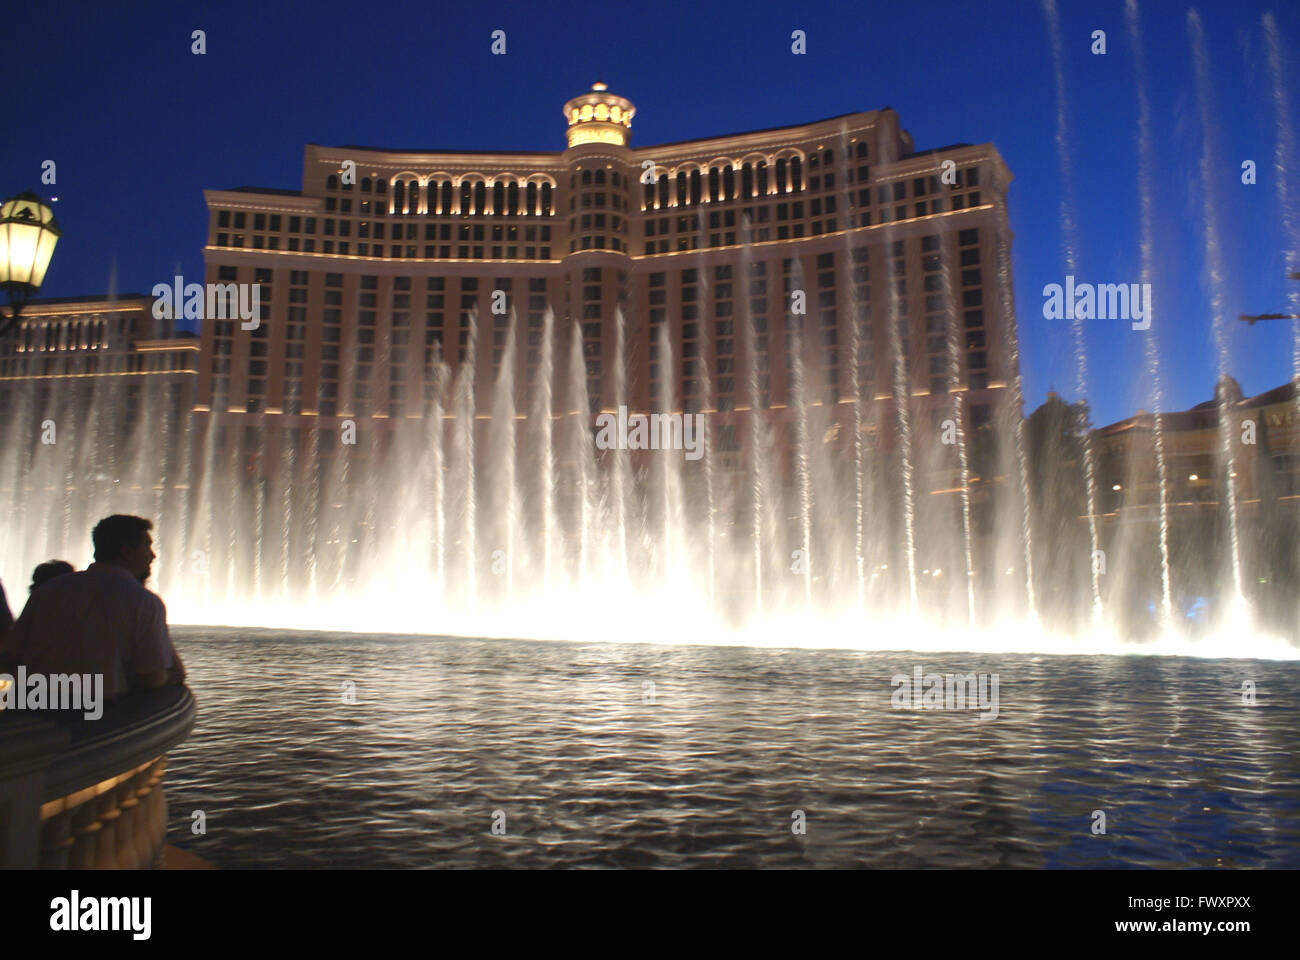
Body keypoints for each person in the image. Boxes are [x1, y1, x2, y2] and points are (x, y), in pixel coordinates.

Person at [1, 515, 186, 702]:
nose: (153, 555)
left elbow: (11, 655)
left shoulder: (48, 590)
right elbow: (152, 679)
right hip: (101, 716)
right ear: (126, 552)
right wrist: (171, 677)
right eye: (147, 546)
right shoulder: (145, 602)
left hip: (36, 707)